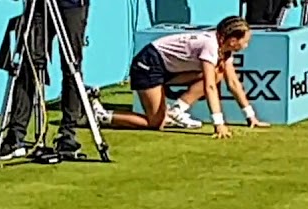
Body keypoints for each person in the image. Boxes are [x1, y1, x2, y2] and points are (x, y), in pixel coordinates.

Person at [89, 16, 269, 138]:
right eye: (245, 41)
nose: (246, 45)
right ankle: (101, 115)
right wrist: (218, 123)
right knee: (155, 123)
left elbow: (233, 84)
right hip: (148, 65)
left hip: (168, 69)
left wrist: (250, 116)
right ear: (232, 40)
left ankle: (176, 111)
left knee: (218, 72)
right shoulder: (210, 46)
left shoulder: (225, 51)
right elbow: (209, 87)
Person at [0, 0, 91, 161]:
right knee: (28, 66)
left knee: (71, 67)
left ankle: (68, 135)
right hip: (37, 5)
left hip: (72, 5)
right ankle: (15, 136)